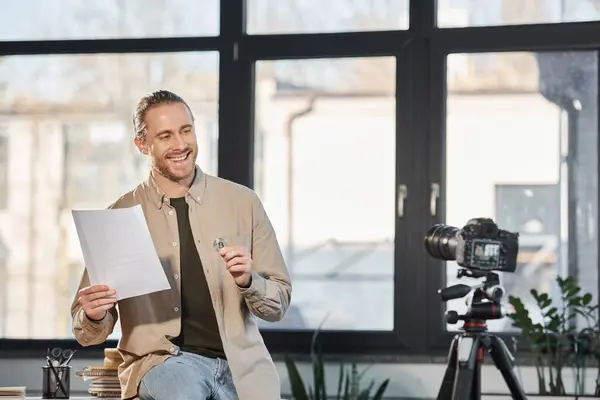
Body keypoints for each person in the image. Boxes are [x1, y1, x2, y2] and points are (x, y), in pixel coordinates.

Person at [71, 90, 292, 400]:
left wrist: (248, 281)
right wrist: (94, 315)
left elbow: (278, 304)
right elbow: (85, 333)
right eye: (165, 136)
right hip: (165, 366)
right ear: (142, 144)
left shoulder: (243, 202)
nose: (180, 145)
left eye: (186, 130)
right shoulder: (120, 216)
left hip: (243, 369)